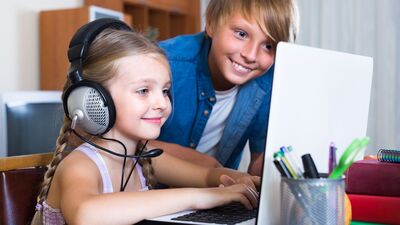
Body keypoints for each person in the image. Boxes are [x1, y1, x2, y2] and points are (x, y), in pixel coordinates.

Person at [31, 19, 260, 225]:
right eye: (143, 90)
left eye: (165, 90)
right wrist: (202, 197)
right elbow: (85, 214)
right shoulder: (81, 165)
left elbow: (205, 175)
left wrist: (240, 180)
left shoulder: (141, 157)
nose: (162, 102)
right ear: (93, 99)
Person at [151, 0, 299, 175]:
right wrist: (208, 167)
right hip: (149, 191)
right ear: (212, 23)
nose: (250, 55)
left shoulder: (268, 80)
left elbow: (259, 164)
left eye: (268, 46)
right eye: (241, 34)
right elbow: (125, 146)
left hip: (218, 195)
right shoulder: (163, 64)